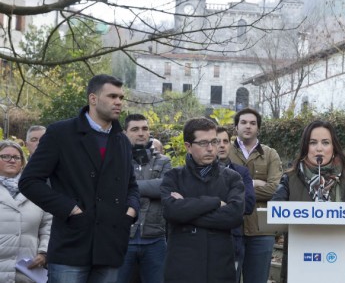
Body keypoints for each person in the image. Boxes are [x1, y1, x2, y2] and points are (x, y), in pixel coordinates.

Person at [19, 74, 140, 283]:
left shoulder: (121, 140)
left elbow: (132, 186)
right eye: (112, 96)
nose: (119, 102)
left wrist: (131, 211)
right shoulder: (61, 133)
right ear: (93, 99)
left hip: (110, 246)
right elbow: (29, 181)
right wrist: (70, 209)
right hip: (71, 244)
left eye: (121, 97)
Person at [273, 121, 345, 283]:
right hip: (302, 265)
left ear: (334, 147)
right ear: (305, 147)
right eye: (313, 142)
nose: (319, 148)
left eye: (325, 142)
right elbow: (273, 215)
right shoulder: (290, 178)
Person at [160, 117, 245, 282]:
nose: (211, 148)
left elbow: (234, 216)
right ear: (188, 147)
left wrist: (187, 212)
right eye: (203, 143)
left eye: (214, 141)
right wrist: (214, 203)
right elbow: (171, 211)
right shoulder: (173, 177)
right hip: (182, 269)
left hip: (219, 268)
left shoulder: (232, 178)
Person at [229, 108, 283, 283]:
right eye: (243, 122)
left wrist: (241, 187)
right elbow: (217, 189)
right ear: (236, 126)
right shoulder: (225, 151)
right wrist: (256, 183)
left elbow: (275, 189)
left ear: (258, 128)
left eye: (252, 123)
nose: (248, 126)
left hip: (262, 230)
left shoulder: (270, 154)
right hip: (230, 228)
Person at [116, 114, 172, 283]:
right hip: (123, 239)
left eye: (145, 129)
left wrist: (130, 187)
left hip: (155, 239)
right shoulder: (116, 160)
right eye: (135, 129)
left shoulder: (163, 161)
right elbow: (112, 190)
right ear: (125, 133)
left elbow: (166, 188)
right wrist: (150, 187)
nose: (141, 133)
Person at [0, 140, 52, 283]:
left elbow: (48, 225)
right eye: (5, 156)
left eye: (17, 157)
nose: (11, 160)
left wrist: (44, 252)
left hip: (26, 270)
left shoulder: (37, 189)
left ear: (22, 162)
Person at [215, 126, 256, 282]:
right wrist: (229, 202)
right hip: (205, 240)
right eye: (217, 141)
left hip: (233, 241)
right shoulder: (199, 172)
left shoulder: (241, 172)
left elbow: (249, 204)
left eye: (226, 141)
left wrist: (216, 203)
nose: (222, 145)